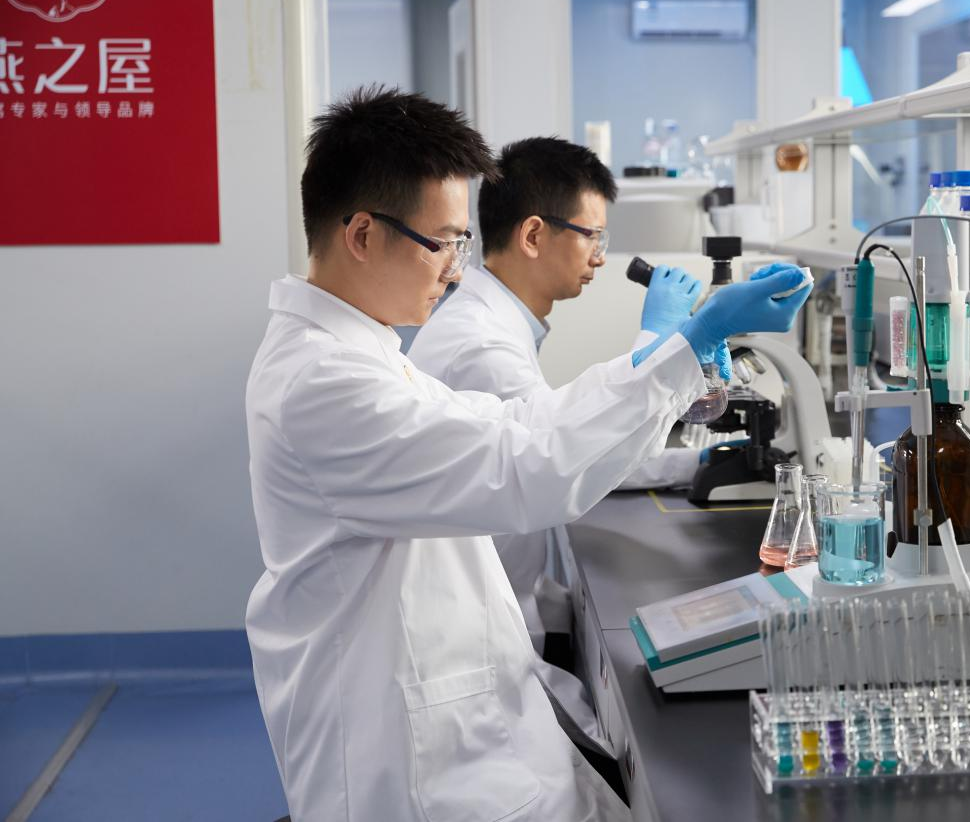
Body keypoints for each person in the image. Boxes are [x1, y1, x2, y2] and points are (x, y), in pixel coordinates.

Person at [244, 86, 811, 822]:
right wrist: (682, 345)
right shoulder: (325, 383)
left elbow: (512, 425)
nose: (455, 269)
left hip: (456, 713)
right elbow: (525, 463)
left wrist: (676, 353)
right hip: (411, 760)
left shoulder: (361, 352)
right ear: (361, 235)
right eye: (443, 243)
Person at [409, 138, 705, 752]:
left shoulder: (495, 324)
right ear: (534, 234)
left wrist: (692, 458)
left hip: (505, 597)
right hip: (479, 635)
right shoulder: (482, 346)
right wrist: (658, 348)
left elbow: (568, 437)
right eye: (591, 235)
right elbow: (565, 455)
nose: (600, 256)